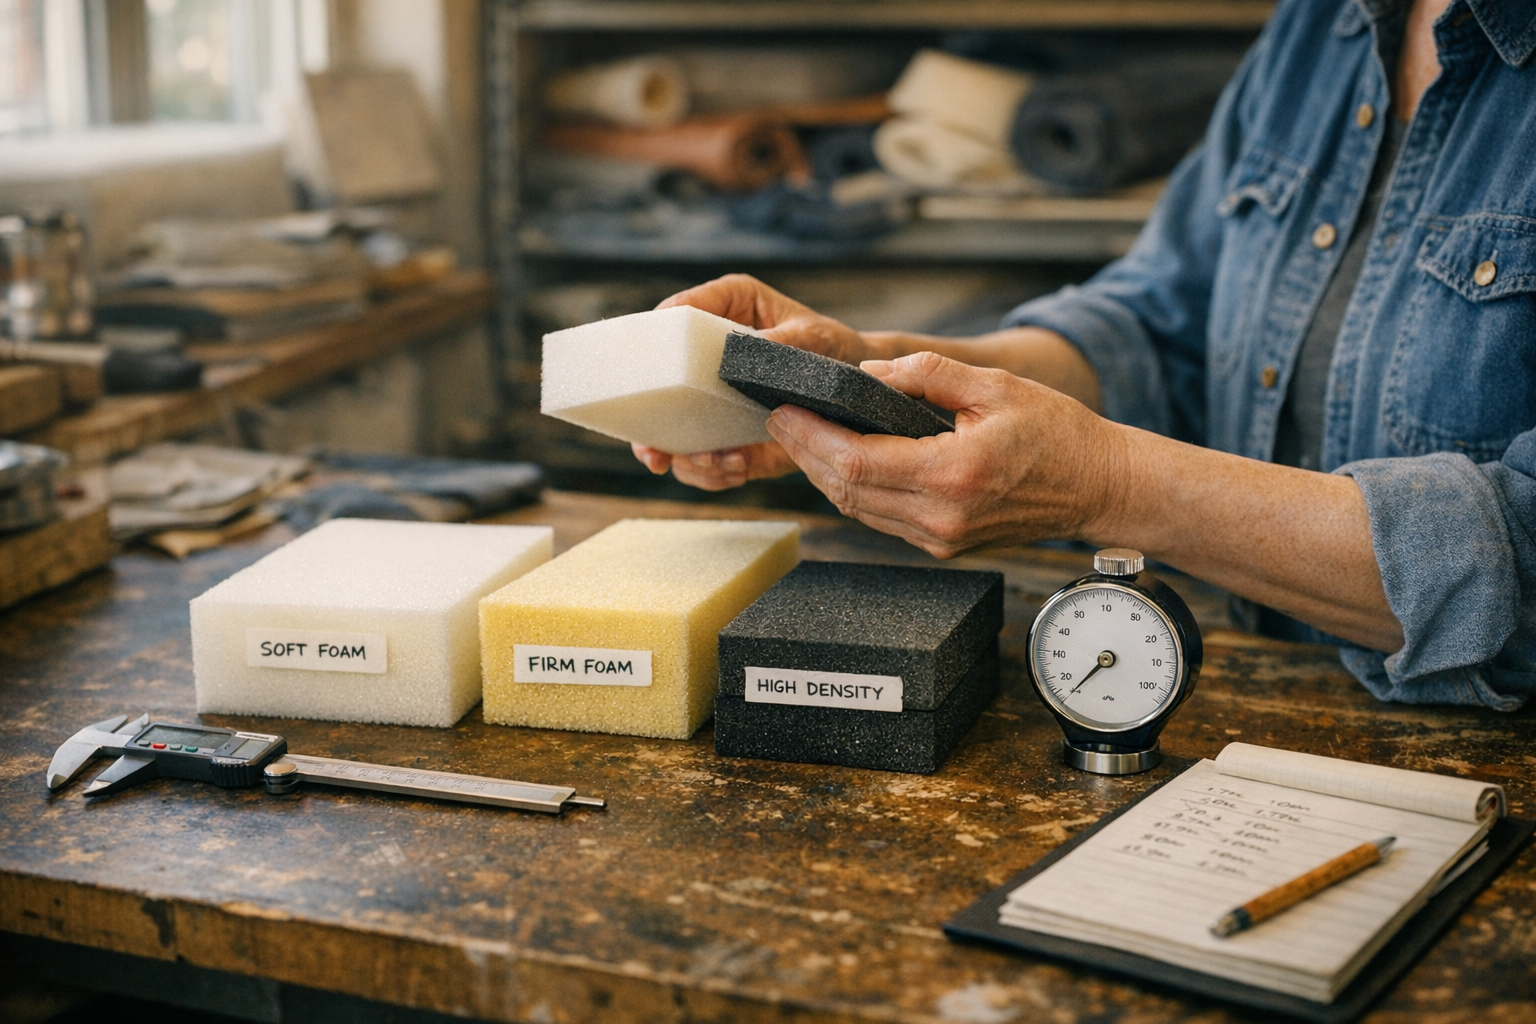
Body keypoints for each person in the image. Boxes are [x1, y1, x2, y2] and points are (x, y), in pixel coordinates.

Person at [632, 0, 1536, 710]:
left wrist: (1109, 486)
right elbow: (1161, 320)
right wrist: (876, 367)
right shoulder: (1326, 24)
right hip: (1254, 687)